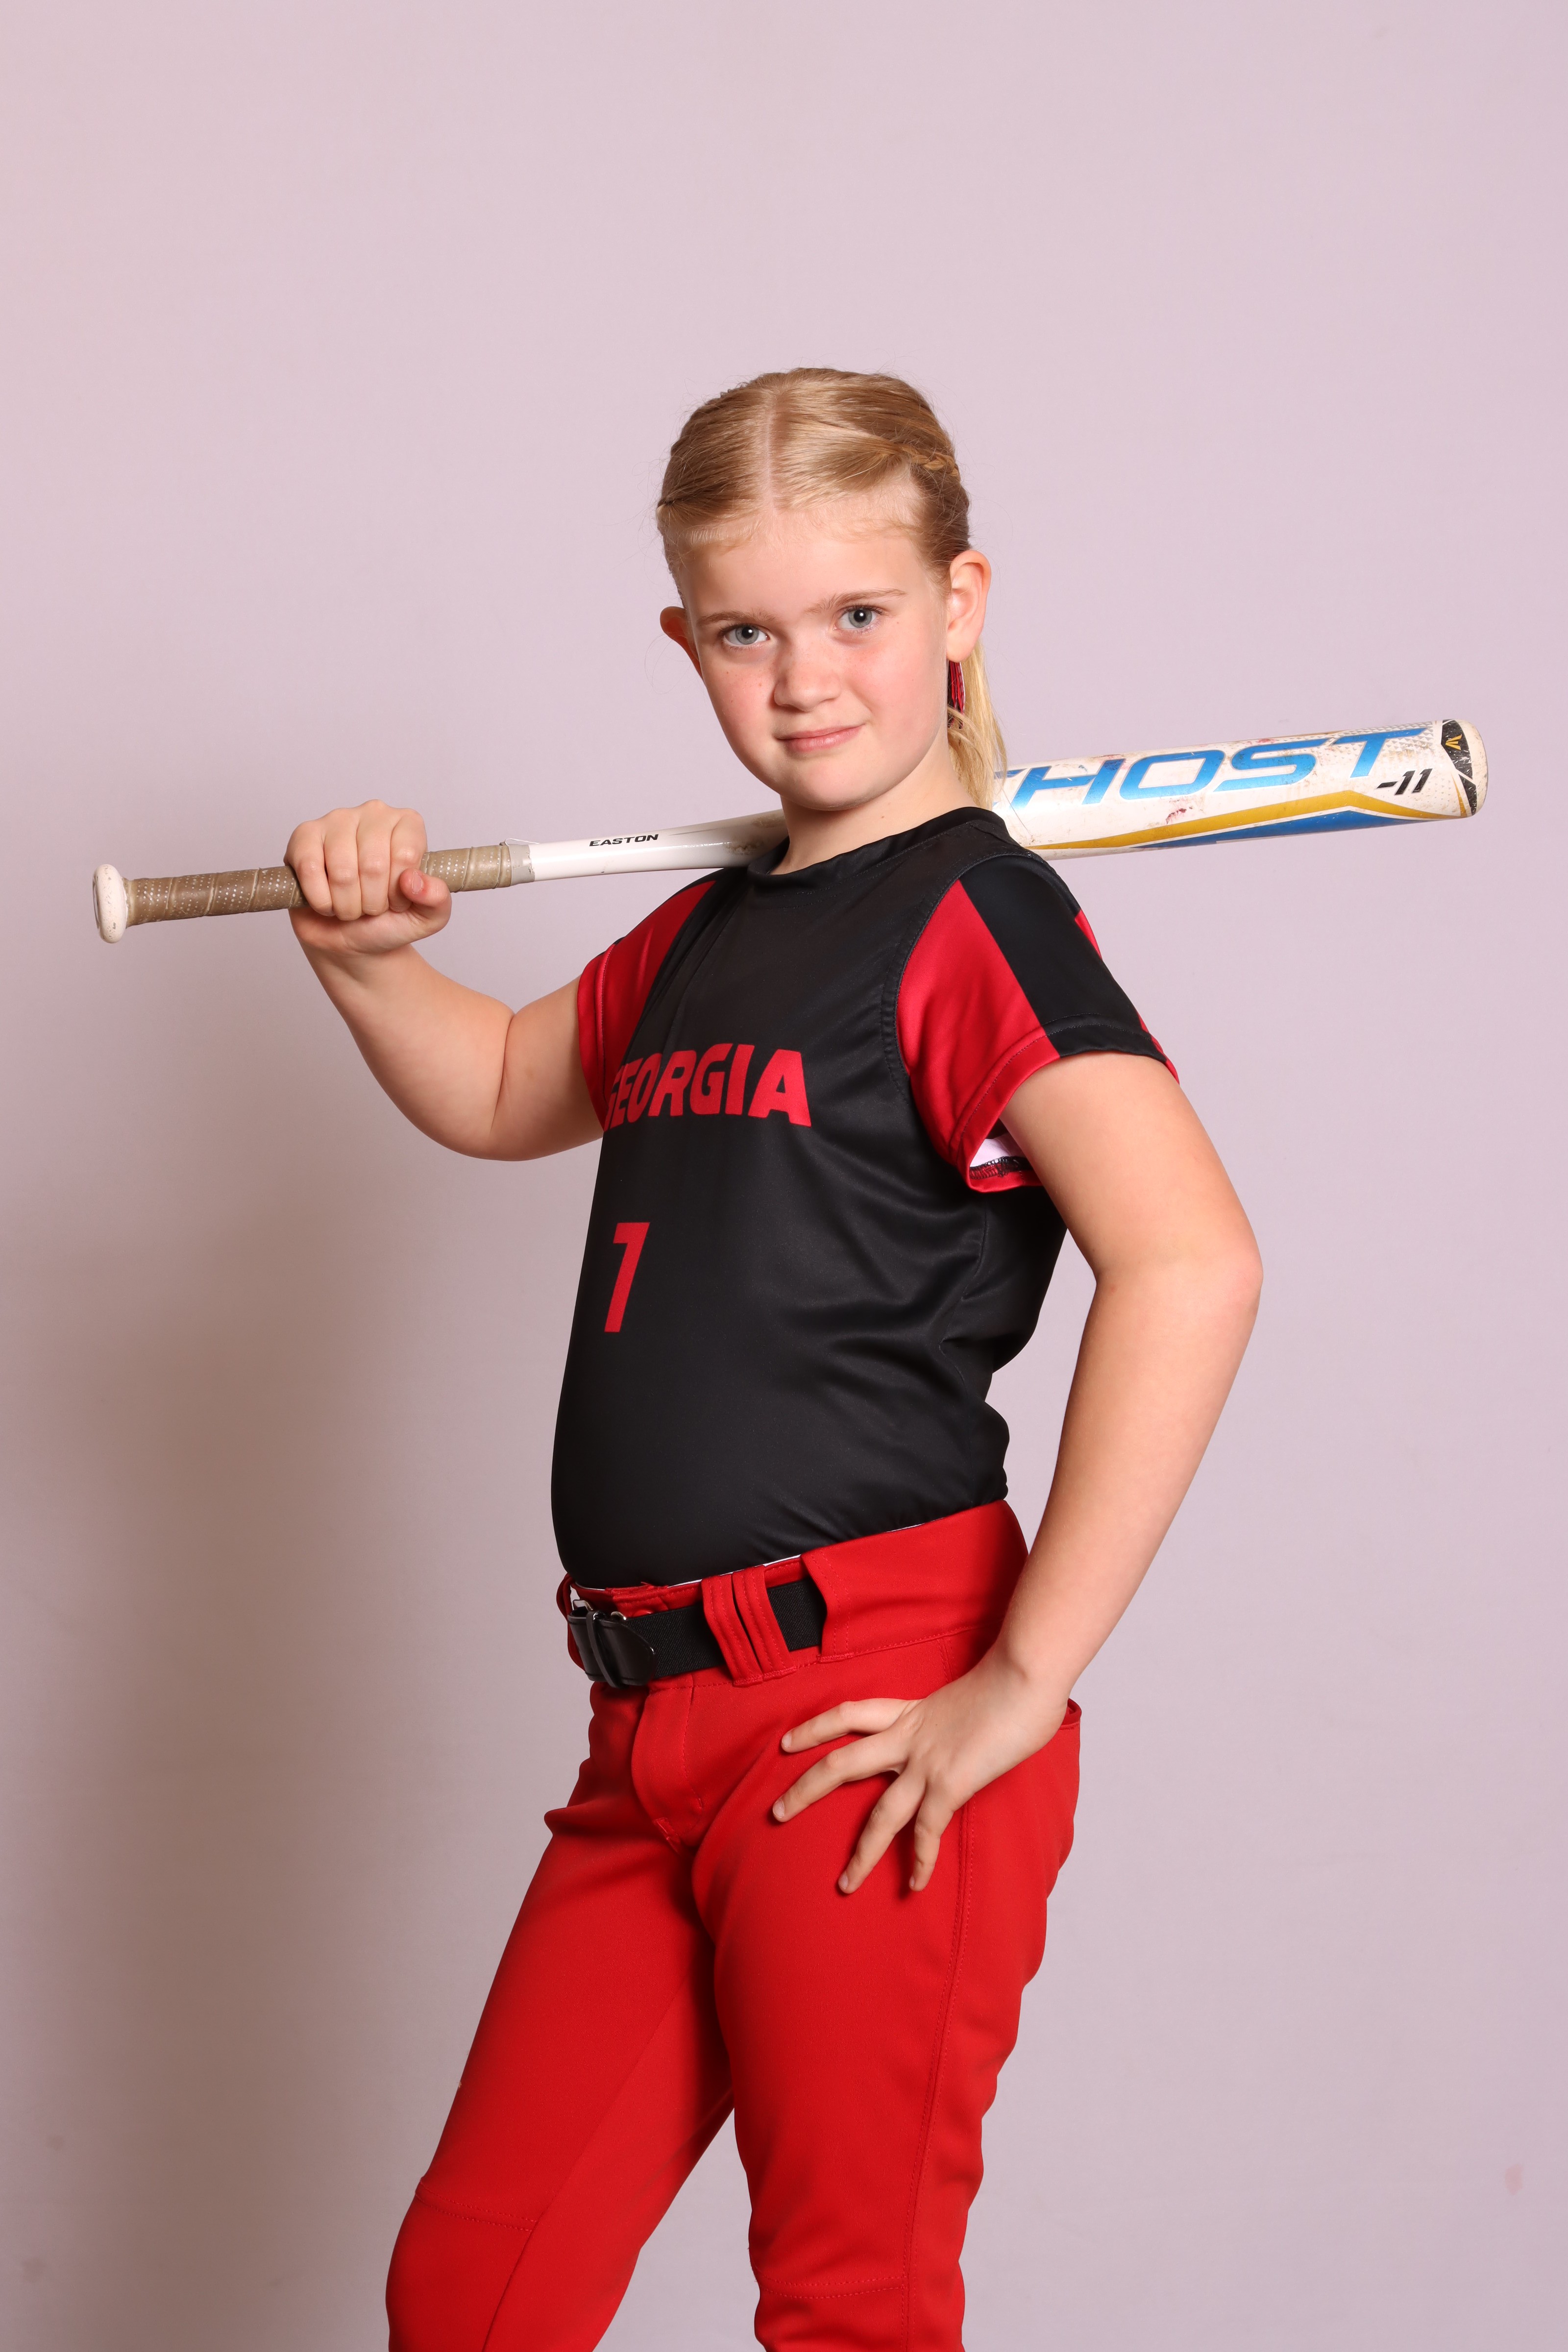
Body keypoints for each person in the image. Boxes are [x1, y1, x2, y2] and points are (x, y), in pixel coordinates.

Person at [285, 368, 1263, 2352]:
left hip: (863, 1710)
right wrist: (365, 961)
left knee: (847, 2306)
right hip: (644, 1721)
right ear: (684, 641)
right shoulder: (714, 934)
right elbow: (501, 1087)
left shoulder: (976, 918)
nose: (804, 680)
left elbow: (1189, 1262)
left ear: (959, 604)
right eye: (746, 632)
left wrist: (1019, 1684)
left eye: (857, 616)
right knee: (472, 2295)